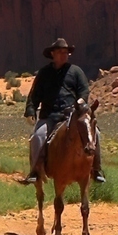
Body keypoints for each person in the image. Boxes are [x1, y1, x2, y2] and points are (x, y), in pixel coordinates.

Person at [24, 37, 106, 184]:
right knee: (37, 136)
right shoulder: (44, 73)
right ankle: (35, 171)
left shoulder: (76, 72)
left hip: (71, 116)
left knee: (96, 134)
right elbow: (34, 95)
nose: (64, 55)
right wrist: (30, 111)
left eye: (66, 52)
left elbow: (83, 91)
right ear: (53, 54)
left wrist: (81, 102)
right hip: (49, 116)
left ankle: (96, 169)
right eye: (60, 52)